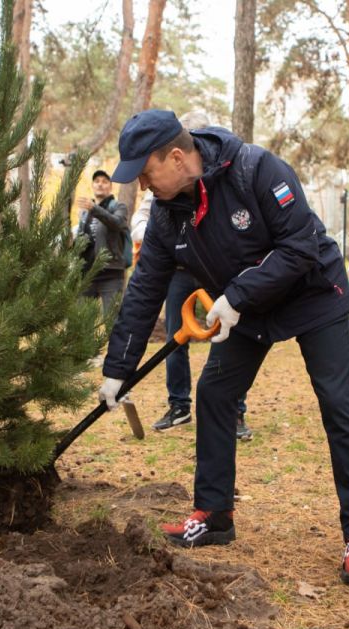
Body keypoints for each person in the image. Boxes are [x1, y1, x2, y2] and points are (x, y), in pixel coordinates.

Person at [99, 109, 349, 585]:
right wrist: (117, 369)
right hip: (246, 308)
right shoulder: (167, 214)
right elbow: (145, 289)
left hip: (314, 295)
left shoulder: (256, 169)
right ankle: (214, 514)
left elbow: (299, 247)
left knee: (336, 401)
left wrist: (236, 296)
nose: (143, 185)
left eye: (145, 172)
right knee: (214, 393)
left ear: (176, 158)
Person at [130, 111, 251, 440]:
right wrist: (156, 239)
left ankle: (234, 411)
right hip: (179, 271)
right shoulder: (160, 185)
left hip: (217, 273)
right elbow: (141, 221)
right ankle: (179, 405)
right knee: (175, 338)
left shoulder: (226, 175)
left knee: (229, 336)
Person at [74, 169, 130, 317]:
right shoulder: (85, 212)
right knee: (79, 321)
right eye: (97, 181)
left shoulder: (118, 207)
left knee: (112, 321)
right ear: (92, 185)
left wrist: (94, 209)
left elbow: (117, 223)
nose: (100, 184)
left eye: (105, 182)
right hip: (87, 274)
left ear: (110, 187)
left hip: (111, 273)